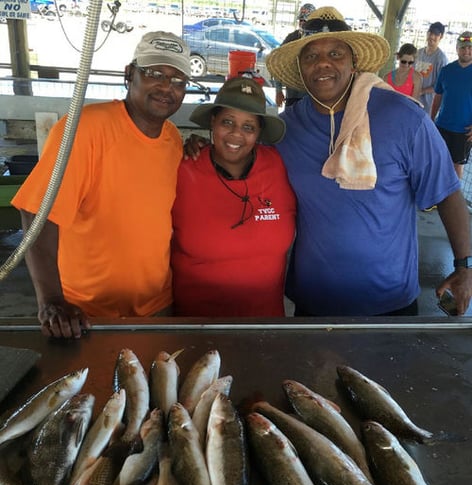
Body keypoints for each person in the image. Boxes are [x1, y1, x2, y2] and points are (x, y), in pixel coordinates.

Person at [263, 6, 472, 317]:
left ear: (354, 62)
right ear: (300, 68)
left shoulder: (404, 117)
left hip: (390, 302)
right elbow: (242, 163)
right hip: (314, 302)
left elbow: (447, 192)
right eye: (310, 56)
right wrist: (197, 149)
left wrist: (464, 266)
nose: (322, 63)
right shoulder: (285, 129)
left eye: (335, 53)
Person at [12, 31, 191, 339]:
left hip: (157, 306)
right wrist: (51, 300)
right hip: (85, 314)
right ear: (129, 74)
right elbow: (38, 214)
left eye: (178, 80)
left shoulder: (173, 138)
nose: (166, 87)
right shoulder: (84, 128)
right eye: (154, 74)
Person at [172, 77, 296, 316]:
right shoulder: (182, 166)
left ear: (259, 132)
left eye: (248, 127)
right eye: (227, 122)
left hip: (265, 326)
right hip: (194, 325)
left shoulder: (279, 165)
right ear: (212, 122)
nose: (236, 134)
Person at [431, 32, 472, 180]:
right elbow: (437, 97)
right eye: (463, 48)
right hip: (442, 126)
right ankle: (436, 198)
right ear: (457, 49)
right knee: (438, 163)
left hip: (464, 131)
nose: (466, 51)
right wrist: (431, 120)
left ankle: (452, 201)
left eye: (470, 48)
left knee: (457, 168)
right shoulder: (446, 70)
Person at [274, 3, 315, 107]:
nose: (302, 23)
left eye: (306, 21)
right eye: (301, 20)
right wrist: (278, 90)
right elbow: (278, 62)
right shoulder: (291, 38)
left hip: (313, 96)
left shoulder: (319, 41)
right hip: (292, 96)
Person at [415, 22, 448, 114]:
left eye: (436, 34)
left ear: (441, 37)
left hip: (429, 105)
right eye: (430, 33)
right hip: (414, 99)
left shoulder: (441, 59)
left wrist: (422, 91)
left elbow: (441, 85)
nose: (432, 37)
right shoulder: (418, 53)